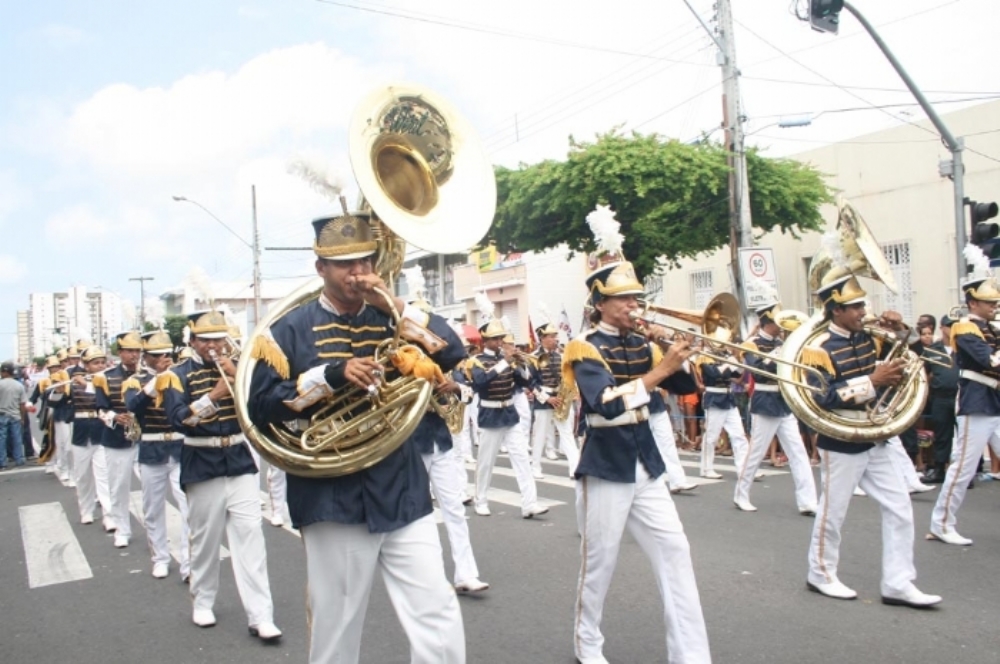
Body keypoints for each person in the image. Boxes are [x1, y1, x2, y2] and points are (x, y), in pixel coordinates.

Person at [247, 210, 464, 663]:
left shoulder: (391, 319)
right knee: (337, 625)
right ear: (320, 268)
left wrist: (396, 305)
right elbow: (261, 405)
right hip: (331, 494)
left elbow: (452, 353)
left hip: (401, 483)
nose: (359, 273)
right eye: (345, 264)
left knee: (438, 610)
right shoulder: (286, 329)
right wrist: (331, 376)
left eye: (365, 261)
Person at [567, 205, 709, 664]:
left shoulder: (645, 344)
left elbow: (686, 388)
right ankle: (587, 642)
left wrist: (673, 351)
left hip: (646, 461)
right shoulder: (584, 347)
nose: (634, 305)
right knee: (600, 562)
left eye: (636, 297)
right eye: (624, 299)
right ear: (600, 303)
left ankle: (691, 654)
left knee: (675, 549)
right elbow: (604, 403)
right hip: (607, 463)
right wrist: (661, 369)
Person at [804, 274, 941, 608]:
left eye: (862, 305)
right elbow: (823, 397)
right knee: (833, 513)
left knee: (900, 508)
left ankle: (898, 583)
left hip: (876, 435)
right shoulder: (817, 348)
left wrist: (901, 330)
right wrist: (872, 381)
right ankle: (820, 574)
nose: (863, 311)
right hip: (842, 437)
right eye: (854, 307)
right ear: (836, 310)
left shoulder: (870, 337)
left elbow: (910, 355)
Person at [161, 311, 280, 641]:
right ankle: (203, 601)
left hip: (239, 457)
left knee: (251, 536)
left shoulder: (241, 367)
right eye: (206, 340)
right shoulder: (176, 375)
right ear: (193, 341)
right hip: (201, 459)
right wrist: (213, 395)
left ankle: (261, 615)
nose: (214, 346)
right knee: (205, 539)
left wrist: (241, 379)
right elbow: (179, 420)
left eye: (219, 339)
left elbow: (262, 407)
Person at [928, 275, 1000, 546]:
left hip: (994, 400)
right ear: (972, 303)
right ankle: (941, 524)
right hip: (977, 401)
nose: (994, 305)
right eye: (988, 302)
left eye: (994, 301)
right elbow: (989, 361)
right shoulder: (965, 327)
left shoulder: (990, 328)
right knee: (963, 468)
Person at [733, 302, 818, 514]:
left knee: (798, 453)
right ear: (767, 322)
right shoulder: (752, 344)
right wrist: (777, 354)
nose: (781, 327)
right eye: (778, 323)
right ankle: (741, 494)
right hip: (765, 400)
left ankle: (807, 501)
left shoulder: (782, 343)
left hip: (783, 400)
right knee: (756, 453)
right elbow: (757, 371)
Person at [467, 298, 547, 519]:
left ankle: (530, 503)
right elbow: (481, 382)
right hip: (490, 415)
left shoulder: (508, 360)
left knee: (522, 459)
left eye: (500, 338)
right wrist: (505, 362)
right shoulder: (476, 361)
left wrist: (522, 366)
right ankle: (481, 500)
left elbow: (524, 383)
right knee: (486, 462)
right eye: (495, 339)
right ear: (485, 340)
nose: (500, 342)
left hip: (510, 414)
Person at [124, 330, 191, 580]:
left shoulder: (180, 376)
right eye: (156, 354)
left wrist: (169, 377)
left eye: (166, 353)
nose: (163, 358)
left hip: (180, 447)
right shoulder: (136, 380)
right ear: (146, 357)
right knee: (152, 509)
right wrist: (158, 381)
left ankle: (189, 563)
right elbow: (133, 405)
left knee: (189, 507)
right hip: (152, 451)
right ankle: (160, 557)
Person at [94, 331, 142, 548]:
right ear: (120, 352)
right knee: (118, 486)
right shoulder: (105, 377)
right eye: (130, 351)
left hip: (147, 438)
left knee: (152, 488)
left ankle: (155, 530)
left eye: (137, 351)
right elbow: (100, 409)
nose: (134, 355)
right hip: (117, 438)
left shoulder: (148, 375)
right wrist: (115, 417)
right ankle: (122, 529)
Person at [529, 321, 581, 479]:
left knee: (567, 433)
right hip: (544, 399)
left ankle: (575, 468)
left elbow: (567, 378)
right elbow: (531, 383)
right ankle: (535, 467)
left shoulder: (561, 356)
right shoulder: (533, 357)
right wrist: (547, 398)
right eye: (551, 336)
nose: (555, 339)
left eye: (555, 336)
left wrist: (568, 394)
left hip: (560, 398)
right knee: (540, 435)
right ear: (542, 338)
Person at [697, 341, 749, 480]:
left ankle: (744, 469)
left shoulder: (727, 356)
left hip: (729, 398)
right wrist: (729, 363)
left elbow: (738, 374)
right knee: (711, 437)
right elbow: (714, 373)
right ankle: (706, 468)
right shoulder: (704, 356)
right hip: (714, 398)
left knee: (739, 435)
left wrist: (738, 360)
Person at [921, 315, 959, 483]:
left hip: (961, 396)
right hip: (941, 397)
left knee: (965, 436)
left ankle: (967, 472)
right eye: (950, 326)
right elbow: (924, 374)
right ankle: (939, 469)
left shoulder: (965, 347)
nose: (953, 329)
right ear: (942, 328)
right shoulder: (932, 350)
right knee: (942, 434)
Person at [0, 361, 27, 470]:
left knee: (2, 439)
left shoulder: (0, 384)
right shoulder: (19, 385)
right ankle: (19, 459)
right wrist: (22, 417)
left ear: (4, 372)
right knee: (17, 438)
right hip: (15, 415)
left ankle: (2, 462)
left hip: (2, 414)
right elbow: (22, 404)